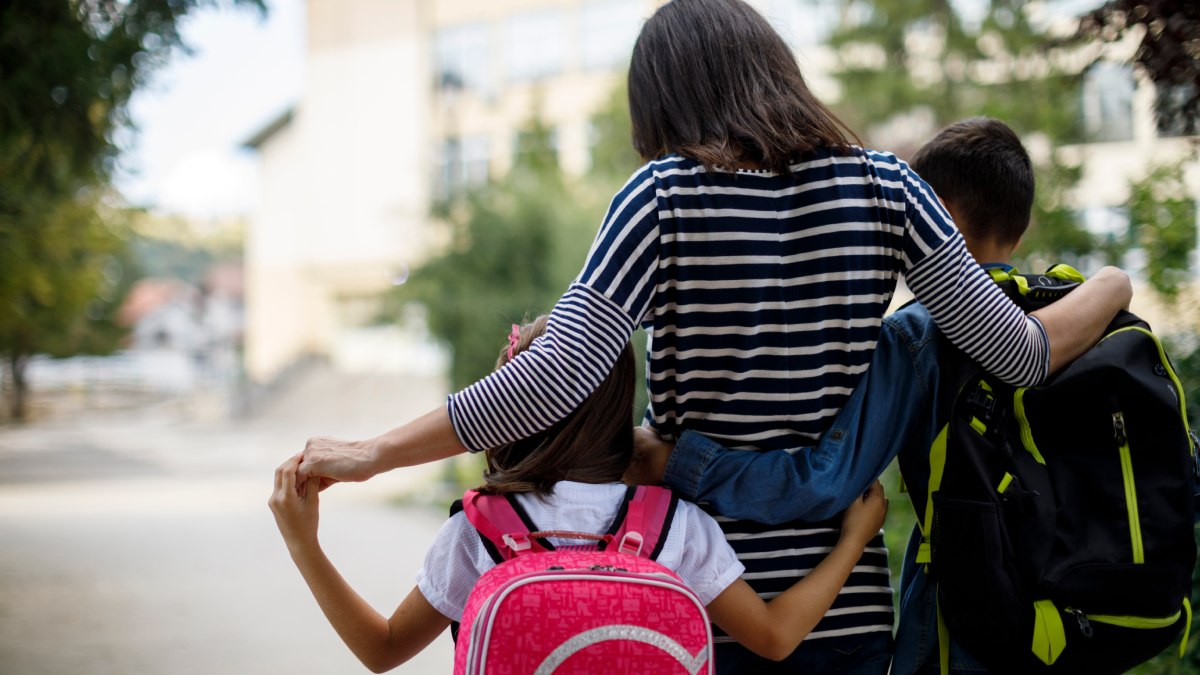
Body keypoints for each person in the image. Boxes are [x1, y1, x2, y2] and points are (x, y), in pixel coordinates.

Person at [295, 1, 1131, 670]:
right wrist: (1112, 284)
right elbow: (1019, 353)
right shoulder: (888, 187)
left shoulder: (661, 196)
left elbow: (553, 377)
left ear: (662, 99)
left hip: (695, 599)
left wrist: (375, 452)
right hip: (846, 608)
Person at [628, 117, 1052, 673]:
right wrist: (1115, 283)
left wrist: (673, 461)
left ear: (936, 216)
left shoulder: (919, 338)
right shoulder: (1060, 315)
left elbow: (825, 478)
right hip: (1059, 603)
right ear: (1018, 235)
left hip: (961, 615)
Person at [269, 317, 890, 672]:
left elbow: (381, 651)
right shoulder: (674, 524)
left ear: (508, 409)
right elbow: (776, 637)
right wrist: (853, 542)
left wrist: (304, 544)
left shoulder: (480, 530)